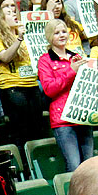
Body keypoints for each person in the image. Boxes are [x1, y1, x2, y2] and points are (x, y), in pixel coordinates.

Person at [37, 19, 94, 171]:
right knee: (74, 166)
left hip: (83, 116)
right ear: (49, 36)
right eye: (56, 33)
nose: (61, 35)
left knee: (90, 166)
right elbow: (49, 89)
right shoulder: (45, 60)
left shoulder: (76, 57)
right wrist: (72, 71)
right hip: (63, 119)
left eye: (63, 31)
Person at [0, 0, 44, 145]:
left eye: (14, 11)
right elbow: (5, 57)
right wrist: (19, 38)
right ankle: (23, 167)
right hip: (13, 89)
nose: (14, 14)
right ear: (1, 19)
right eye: (8, 13)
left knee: (38, 129)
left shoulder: (27, 36)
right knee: (21, 132)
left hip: (32, 86)